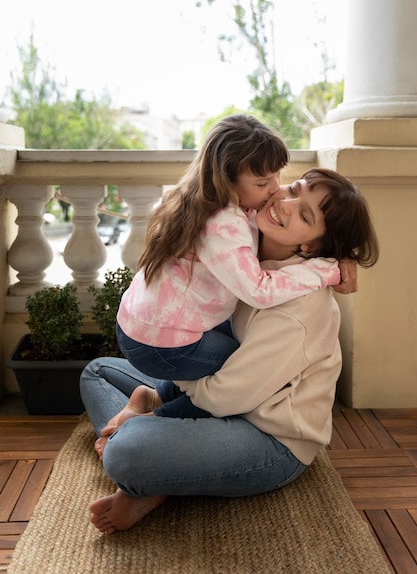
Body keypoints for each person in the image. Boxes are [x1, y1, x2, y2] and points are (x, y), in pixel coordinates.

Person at [80, 167, 379, 534]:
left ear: (312, 246)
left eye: (304, 214)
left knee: (125, 453)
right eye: (294, 189)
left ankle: (152, 472)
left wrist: (161, 410)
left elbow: (225, 398)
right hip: (224, 393)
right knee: (96, 372)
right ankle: (167, 460)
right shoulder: (246, 241)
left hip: (269, 438)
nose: (285, 203)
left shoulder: (298, 308)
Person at [116, 114, 341, 387]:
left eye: (277, 176)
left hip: (139, 323)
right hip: (159, 344)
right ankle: (159, 407)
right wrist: (325, 271)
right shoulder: (224, 223)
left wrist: (343, 255)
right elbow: (260, 291)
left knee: (237, 346)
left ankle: (151, 396)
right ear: (227, 180)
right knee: (246, 371)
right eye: (262, 183)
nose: (275, 188)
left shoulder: (201, 198)